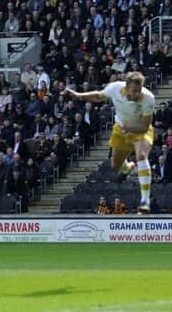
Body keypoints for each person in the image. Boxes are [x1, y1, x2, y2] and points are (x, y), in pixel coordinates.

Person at [63, 72, 155, 213]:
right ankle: (127, 167)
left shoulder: (148, 98)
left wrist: (128, 128)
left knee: (141, 155)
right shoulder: (115, 88)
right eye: (134, 91)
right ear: (126, 86)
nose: (137, 94)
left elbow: (143, 127)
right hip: (121, 128)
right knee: (116, 164)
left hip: (139, 129)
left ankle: (144, 202)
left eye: (139, 90)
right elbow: (98, 96)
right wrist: (79, 95)